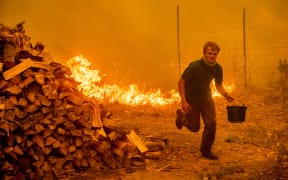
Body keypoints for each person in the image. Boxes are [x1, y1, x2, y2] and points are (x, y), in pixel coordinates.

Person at [175, 41, 234, 160]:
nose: (212, 56)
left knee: (211, 123)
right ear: (204, 54)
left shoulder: (218, 68)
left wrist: (226, 95)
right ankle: (182, 118)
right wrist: (184, 101)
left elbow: (218, 85)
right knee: (194, 127)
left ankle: (206, 150)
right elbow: (181, 82)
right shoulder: (195, 66)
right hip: (191, 99)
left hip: (206, 97)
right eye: (210, 53)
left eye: (215, 54)